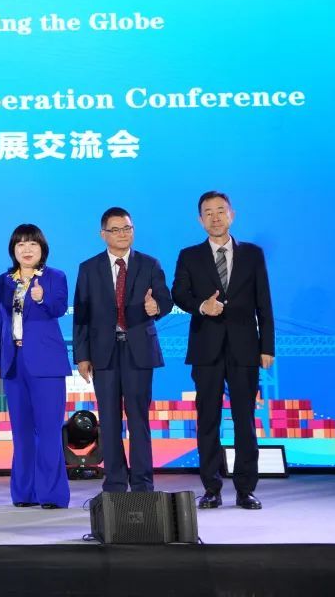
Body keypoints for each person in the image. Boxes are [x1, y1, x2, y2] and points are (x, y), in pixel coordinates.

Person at [172, 191, 274, 510]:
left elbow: (264, 302)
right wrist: (203, 306)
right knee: (208, 420)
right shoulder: (189, 256)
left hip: (245, 349)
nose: (215, 217)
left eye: (221, 210)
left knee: (245, 420)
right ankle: (211, 488)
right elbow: (178, 293)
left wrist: (267, 347)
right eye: (208, 212)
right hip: (206, 348)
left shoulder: (253, 254)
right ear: (200, 220)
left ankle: (245, 489)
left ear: (232, 214)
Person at [72, 207, 173, 494]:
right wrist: (82, 355)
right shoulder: (88, 268)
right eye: (115, 230)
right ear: (103, 234)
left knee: (139, 419)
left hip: (138, 350)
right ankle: (115, 483)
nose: (122, 234)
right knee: (109, 419)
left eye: (127, 228)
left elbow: (165, 300)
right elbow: (81, 314)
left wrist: (157, 307)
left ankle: (142, 483)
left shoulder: (149, 264)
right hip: (103, 351)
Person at [0, 224, 71, 509]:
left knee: (48, 431)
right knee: (21, 432)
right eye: (20, 244)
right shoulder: (4, 281)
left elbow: (59, 308)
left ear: (42, 248)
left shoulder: (55, 276)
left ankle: (52, 495)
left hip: (46, 363)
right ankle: (24, 493)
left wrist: (41, 298)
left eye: (32, 244)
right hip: (13, 362)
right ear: (13, 250)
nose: (26, 249)